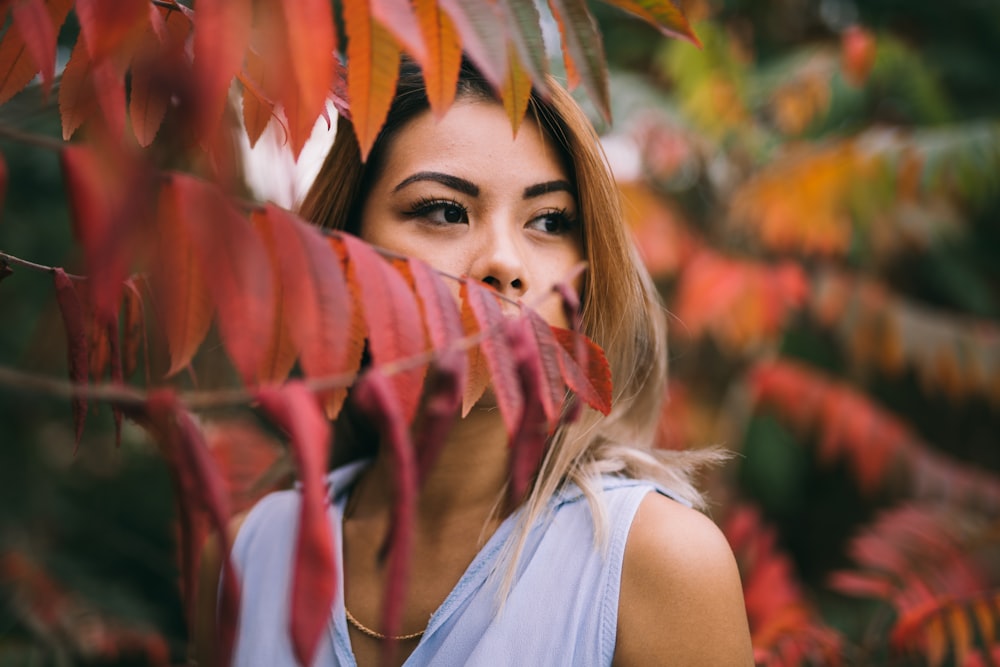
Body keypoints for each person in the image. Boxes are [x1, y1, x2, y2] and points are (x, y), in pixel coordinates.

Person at [203, 57, 754, 666]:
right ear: (344, 251)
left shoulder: (657, 567)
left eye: (549, 221)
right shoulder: (243, 559)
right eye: (444, 211)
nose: (504, 263)